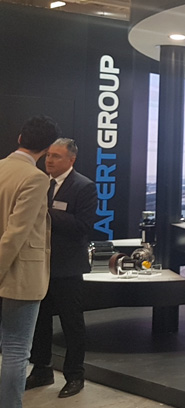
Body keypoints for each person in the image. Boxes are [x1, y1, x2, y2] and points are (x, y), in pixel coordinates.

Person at [26, 139, 98, 399]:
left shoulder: (84, 186)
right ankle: (42, 369)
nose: (50, 160)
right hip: (39, 266)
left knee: (71, 324)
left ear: (71, 160)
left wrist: (46, 212)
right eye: (48, 155)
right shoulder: (39, 183)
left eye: (56, 156)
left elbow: (83, 226)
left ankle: (75, 375)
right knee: (40, 322)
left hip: (67, 268)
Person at [0, 116, 60, 408]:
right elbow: (16, 233)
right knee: (15, 350)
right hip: (19, 274)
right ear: (47, 148)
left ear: (20, 138)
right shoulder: (36, 178)